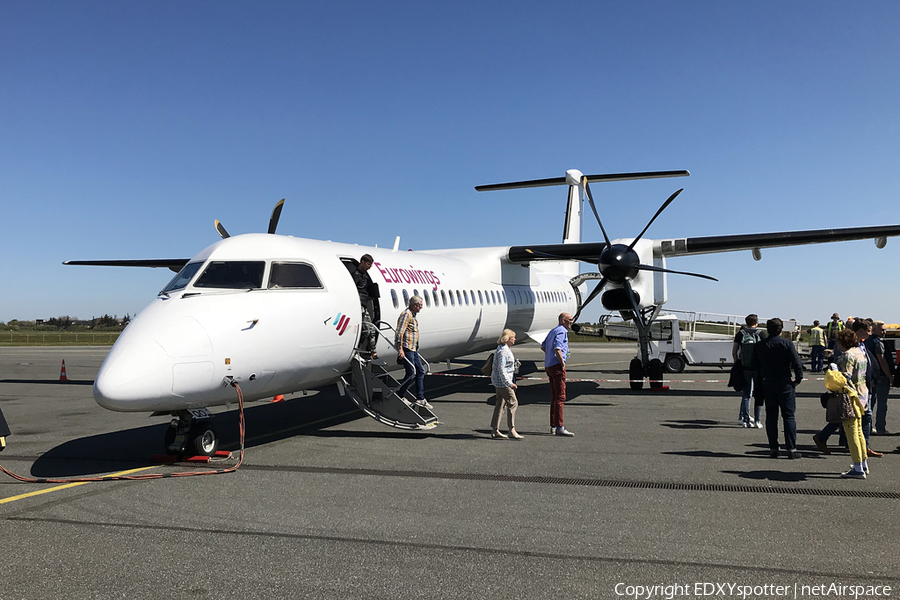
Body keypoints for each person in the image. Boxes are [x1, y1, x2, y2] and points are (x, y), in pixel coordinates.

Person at [751, 318, 803, 458]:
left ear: (768, 330)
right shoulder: (787, 344)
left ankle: (774, 448)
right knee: (789, 416)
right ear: (781, 329)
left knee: (771, 417)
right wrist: (798, 379)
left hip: (767, 383)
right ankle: (791, 449)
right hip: (785, 382)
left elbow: (754, 367)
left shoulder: (760, 345)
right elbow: (797, 363)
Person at [832, 328, 869, 478]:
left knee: (851, 431)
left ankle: (858, 467)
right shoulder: (860, 352)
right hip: (863, 393)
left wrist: (834, 371)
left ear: (843, 342)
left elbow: (845, 378)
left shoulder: (847, 355)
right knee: (859, 431)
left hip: (850, 396)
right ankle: (863, 462)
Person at [395, 295, 431, 409]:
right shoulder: (406, 315)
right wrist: (400, 349)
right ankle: (400, 395)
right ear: (414, 305)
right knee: (411, 372)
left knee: (420, 371)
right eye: (420, 305)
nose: (421, 307)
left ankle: (420, 398)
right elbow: (399, 332)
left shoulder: (413, 316)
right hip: (407, 348)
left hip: (413, 348)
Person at [542, 313, 574, 436]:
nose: (571, 322)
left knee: (555, 397)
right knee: (560, 397)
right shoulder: (562, 331)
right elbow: (557, 347)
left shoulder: (553, 331)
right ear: (563, 321)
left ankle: (553, 425)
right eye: (569, 320)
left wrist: (549, 356)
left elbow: (543, 346)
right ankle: (560, 426)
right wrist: (562, 362)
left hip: (549, 365)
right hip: (556, 366)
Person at [732, 314, 766, 428]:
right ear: (756, 322)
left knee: (746, 395)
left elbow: (734, 351)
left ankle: (745, 420)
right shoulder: (760, 333)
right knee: (758, 394)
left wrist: (738, 362)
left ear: (746, 322)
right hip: (758, 368)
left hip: (745, 367)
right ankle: (757, 420)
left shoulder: (740, 334)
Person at [490, 329, 523, 440]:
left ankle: (495, 429)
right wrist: (509, 383)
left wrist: (514, 364)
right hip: (503, 382)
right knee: (513, 403)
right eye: (513, 337)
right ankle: (511, 429)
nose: (515, 339)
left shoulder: (502, 349)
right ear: (507, 339)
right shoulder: (504, 351)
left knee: (500, 404)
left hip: (498, 381)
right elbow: (501, 368)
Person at [867, 321, 894, 436]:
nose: (885, 332)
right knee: (882, 403)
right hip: (881, 376)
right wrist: (890, 376)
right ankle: (880, 428)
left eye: (885, 329)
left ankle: (868, 427)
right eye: (882, 330)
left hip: (870, 376)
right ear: (875, 330)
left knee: (870, 403)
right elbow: (882, 361)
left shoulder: (867, 342)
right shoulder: (878, 343)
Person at [352, 254, 379, 359]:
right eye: (368, 264)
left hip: (364, 304)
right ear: (362, 262)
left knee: (370, 329)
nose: (369, 267)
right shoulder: (355, 275)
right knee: (366, 329)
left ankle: (373, 351)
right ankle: (357, 350)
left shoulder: (365, 275)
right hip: (359, 306)